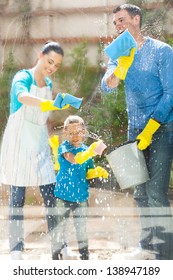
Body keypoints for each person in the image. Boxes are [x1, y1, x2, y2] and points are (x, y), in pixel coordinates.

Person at [101, 4, 173, 260]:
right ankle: (147, 249)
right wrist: (119, 69)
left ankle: (166, 255)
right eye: (115, 23)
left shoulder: (163, 51)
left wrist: (153, 125)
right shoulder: (119, 54)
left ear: (136, 19)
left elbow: (170, 93)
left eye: (122, 20)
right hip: (135, 130)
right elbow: (107, 86)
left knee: (155, 192)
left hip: (163, 128)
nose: (118, 26)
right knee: (140, 192)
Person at [0, 41, 74, 260]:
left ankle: (60, 246)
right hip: (18, 142)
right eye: (49, 61)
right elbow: (22, 97)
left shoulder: (48, 83)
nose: (52, 67)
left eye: (57, 65)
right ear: (41, 56)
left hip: (39, 141)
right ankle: (15, 249)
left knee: (51, 194)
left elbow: (44, 118)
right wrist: (47, 104)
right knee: (17, 196)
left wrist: (54, 105)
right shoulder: (23, 77)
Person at [53, 115, 108, 260]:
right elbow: (74, 160)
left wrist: (96, 171)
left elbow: (87, 172)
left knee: (81, 229)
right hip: (62, 196)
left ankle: (85, 257)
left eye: (78, 132)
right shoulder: (64, 148)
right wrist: (90, 152)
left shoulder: (85, 150)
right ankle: (54, 258)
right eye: (71, 133)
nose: (75, 136)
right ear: (65, 132)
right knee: (59, 228)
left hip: (81, 197)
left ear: (84, 131)